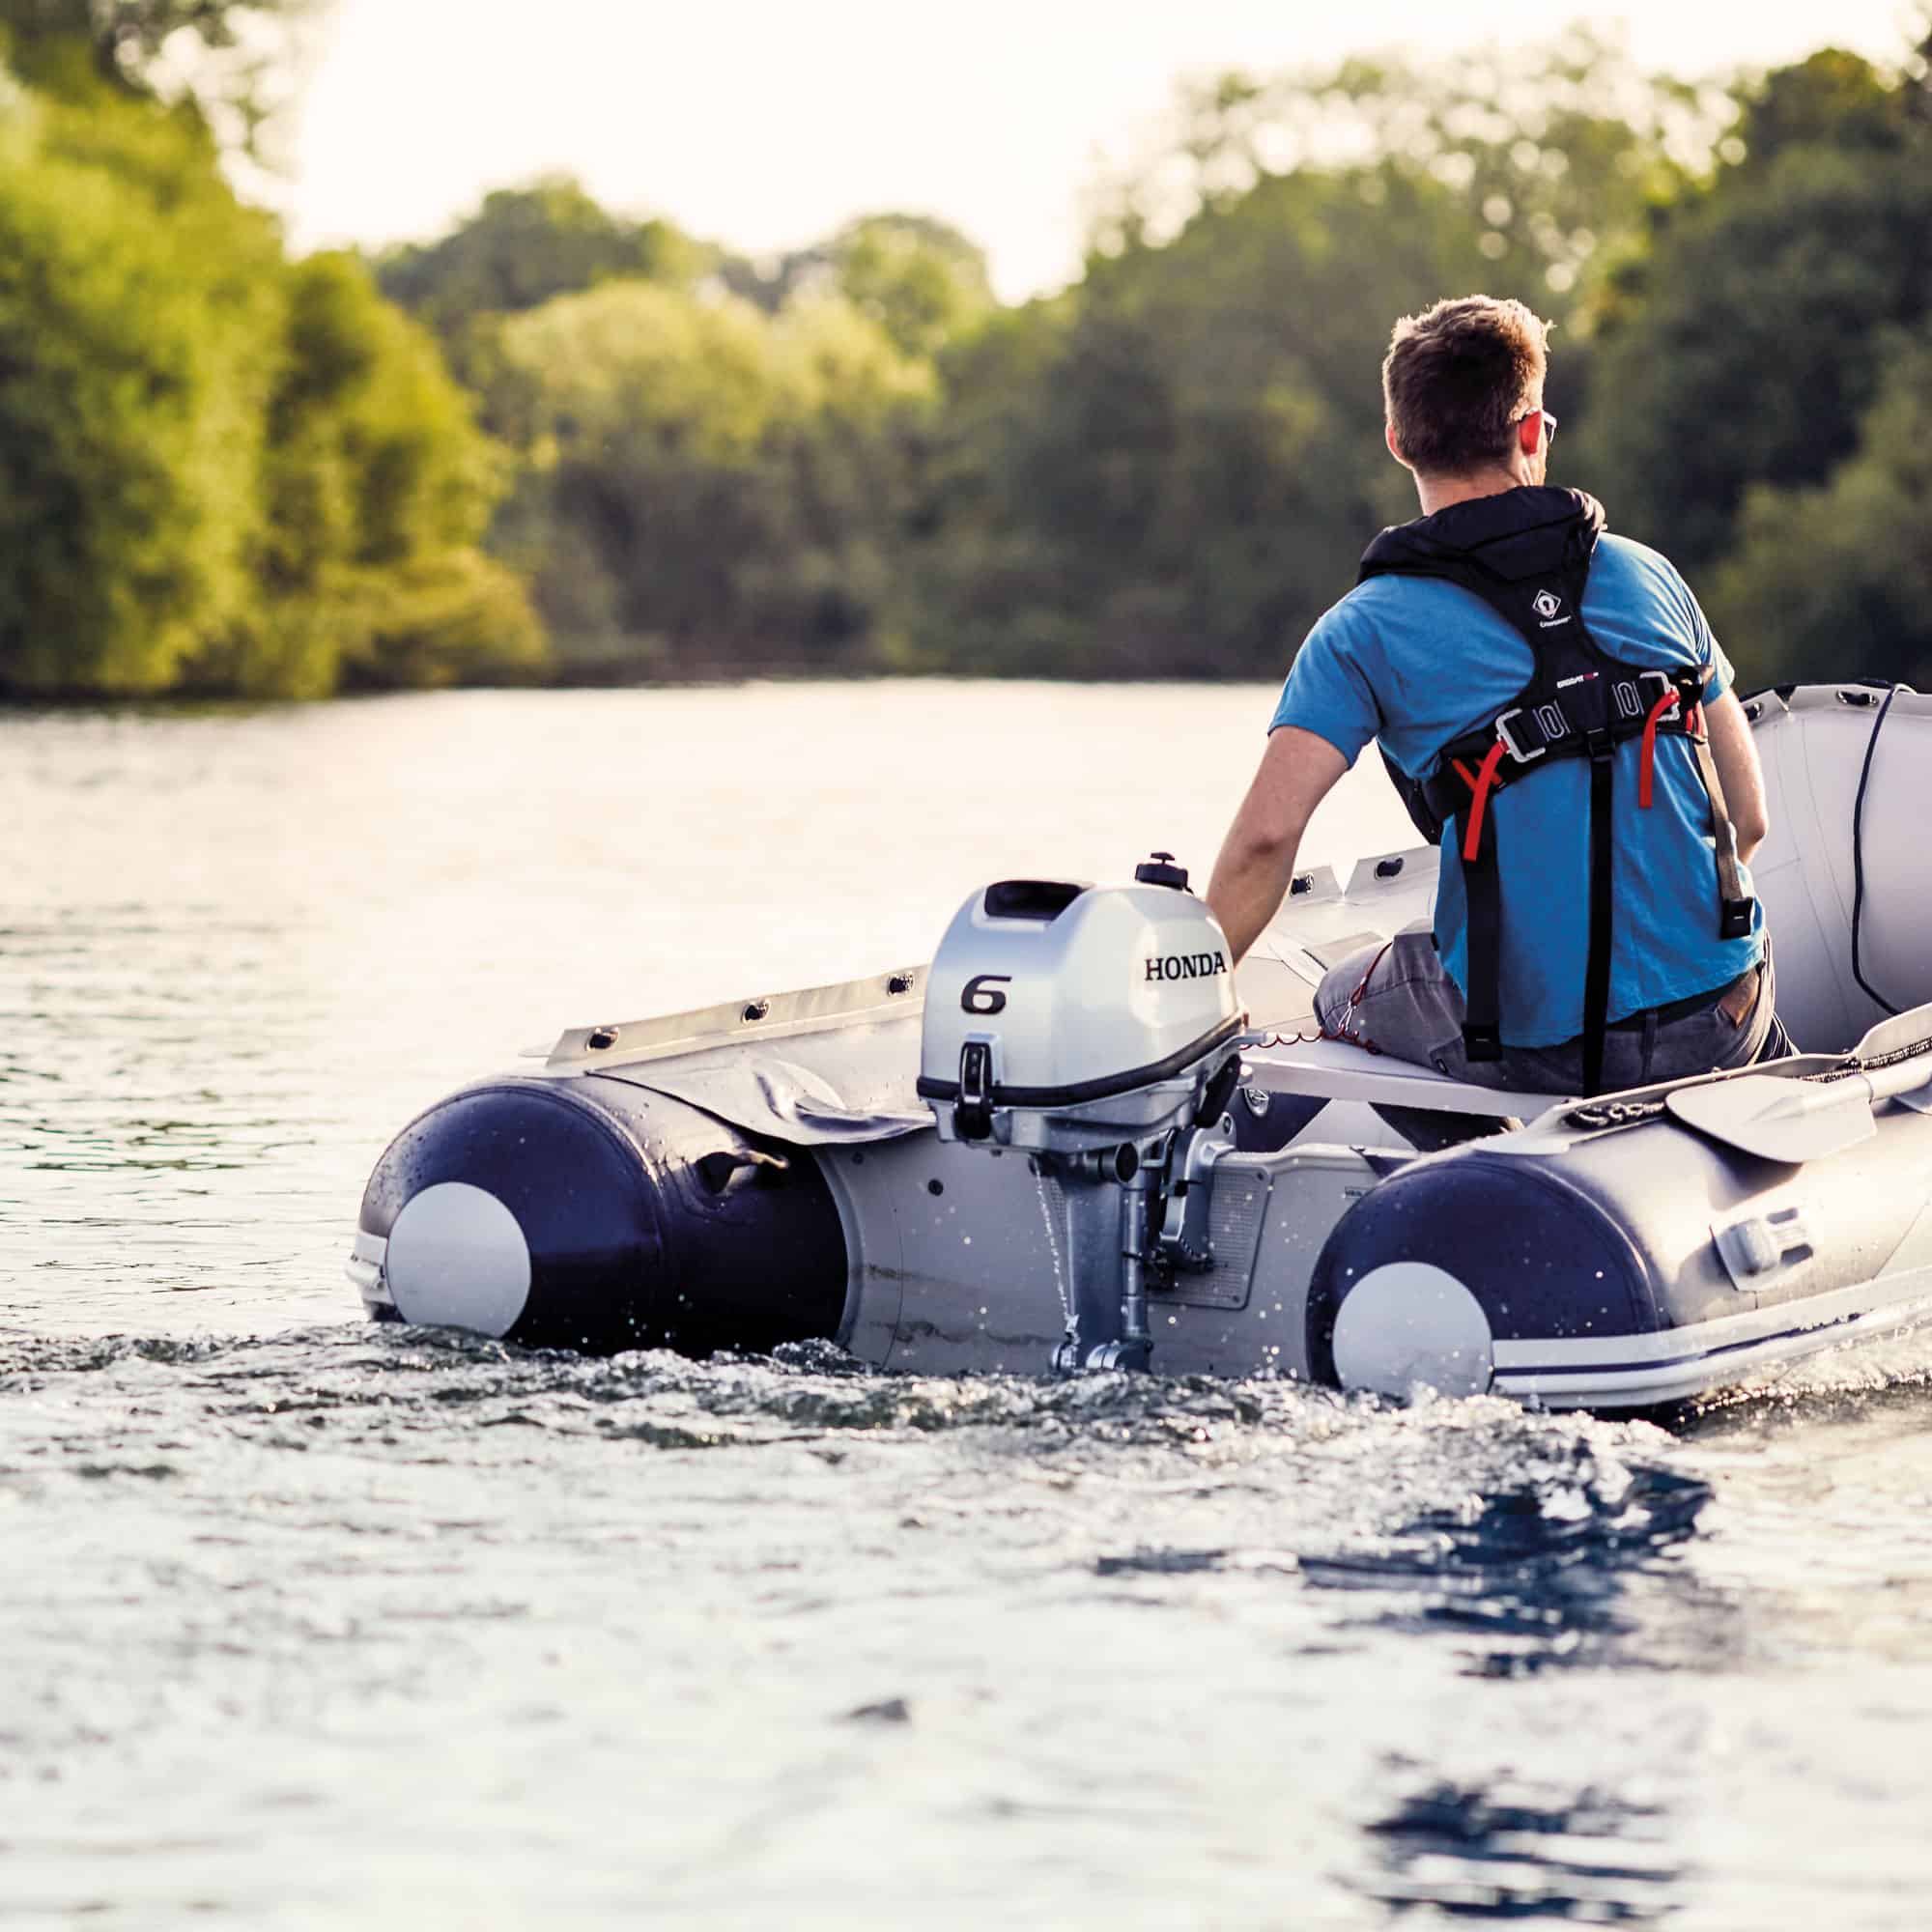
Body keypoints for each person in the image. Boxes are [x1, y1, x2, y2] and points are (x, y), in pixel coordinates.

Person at [1205, 294, 1787, 1097]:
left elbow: (1266, 840)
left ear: (1399, 443)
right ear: (1530, 432)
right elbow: (1747, 820)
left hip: (1534, 1049)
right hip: (1727, 1014)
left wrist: (1196, 1000)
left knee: (1341, 990)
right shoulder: (1652, 575)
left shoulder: (1359, 631)